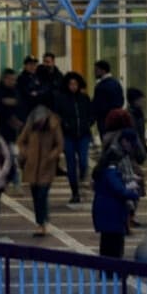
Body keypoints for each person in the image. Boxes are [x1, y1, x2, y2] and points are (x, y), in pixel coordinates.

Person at [17, 104, 63, 237]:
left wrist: (51, 156)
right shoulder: (30, 126)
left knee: (42, 195)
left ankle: (40, 224)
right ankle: (42, 219)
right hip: (32, 166)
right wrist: (27, 153)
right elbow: (21, 141)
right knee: (36, 196)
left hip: (47, 167)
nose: (39, 123)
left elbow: (59, 145)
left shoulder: (54, 126)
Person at [91, 129, 139, 258]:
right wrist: (133, 193)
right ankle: (113, 271)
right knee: (114, 245)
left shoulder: (106, 171)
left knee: (107, 243)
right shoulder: (111, 171)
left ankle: (107, 271)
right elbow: (118, 189)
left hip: (108, 212)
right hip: (112, 213)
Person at [55, 72, 94, 204]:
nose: (73, 86)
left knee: (83, 160)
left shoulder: (84, 98)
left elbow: (91, 113)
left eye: (75, 84)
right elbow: (57, 115)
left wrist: (88, 123)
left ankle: (83, 177)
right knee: (71, 165)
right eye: (71, 84)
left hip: (83, 135)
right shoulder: (61, 99)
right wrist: (64, 125)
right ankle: (75, 192)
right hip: (68, 136)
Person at [0, 69, 24, 188]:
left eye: (14, 79)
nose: (12, 82)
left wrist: (19, 119)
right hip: (3, 129)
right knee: (6, 153)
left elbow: (22, 106)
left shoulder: (17, 92)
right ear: (4, 79)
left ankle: (12, 176)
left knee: (13, 154)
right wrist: (4, 104)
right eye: (9, 79)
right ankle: (10, 176)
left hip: (16, 130)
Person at [90, 59, 124, 140]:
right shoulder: (116, 84)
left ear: (103, 71)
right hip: (117, 119)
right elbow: (121, 100)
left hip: (104, 120)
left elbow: (97, 105)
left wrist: (91, 118)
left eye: (96, 70)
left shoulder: (101, 87)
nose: (94, 73)